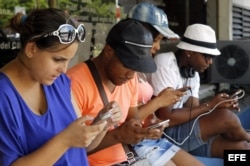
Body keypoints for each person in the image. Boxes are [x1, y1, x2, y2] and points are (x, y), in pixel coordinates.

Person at [0, 8, 121, 166]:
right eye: (58, 60)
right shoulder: (4, 96)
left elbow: (82, 146)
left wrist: (101, 124)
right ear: (31, 49)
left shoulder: (60, 82)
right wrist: (64, 140)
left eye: (68, 61)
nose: (64, 69)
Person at [67, 19, 166, 165]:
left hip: (131, 156)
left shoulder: (128, 79)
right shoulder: (74, 83)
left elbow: (133, 120)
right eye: (127, 65)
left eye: (136, 68)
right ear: (108, 51)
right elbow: (71, 148)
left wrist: (147, 127)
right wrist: (118, 135)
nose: (131, 75)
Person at [149, 23, 250, 158]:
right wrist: (211, 106)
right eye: (207, 56)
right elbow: (165, 117)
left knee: (242, 149)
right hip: (165, 134)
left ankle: (245, 139)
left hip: (185, 133)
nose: (210, 62)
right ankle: (247, 136)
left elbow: (194, 111)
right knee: (227, 118)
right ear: (189, 52)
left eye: (212, 58)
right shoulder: (166, 63)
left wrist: (217, 106)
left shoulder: (192, 73)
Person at [127, 3, 203, 166]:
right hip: (129, 145)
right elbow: (125, 122)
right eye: (156, 39)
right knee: (227, 119)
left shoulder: (139, 69)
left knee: (238, 145)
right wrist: (159, 102)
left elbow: (140, 113)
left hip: (146, 137)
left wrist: (152, 121)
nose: (157, 47)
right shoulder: (123, 73)